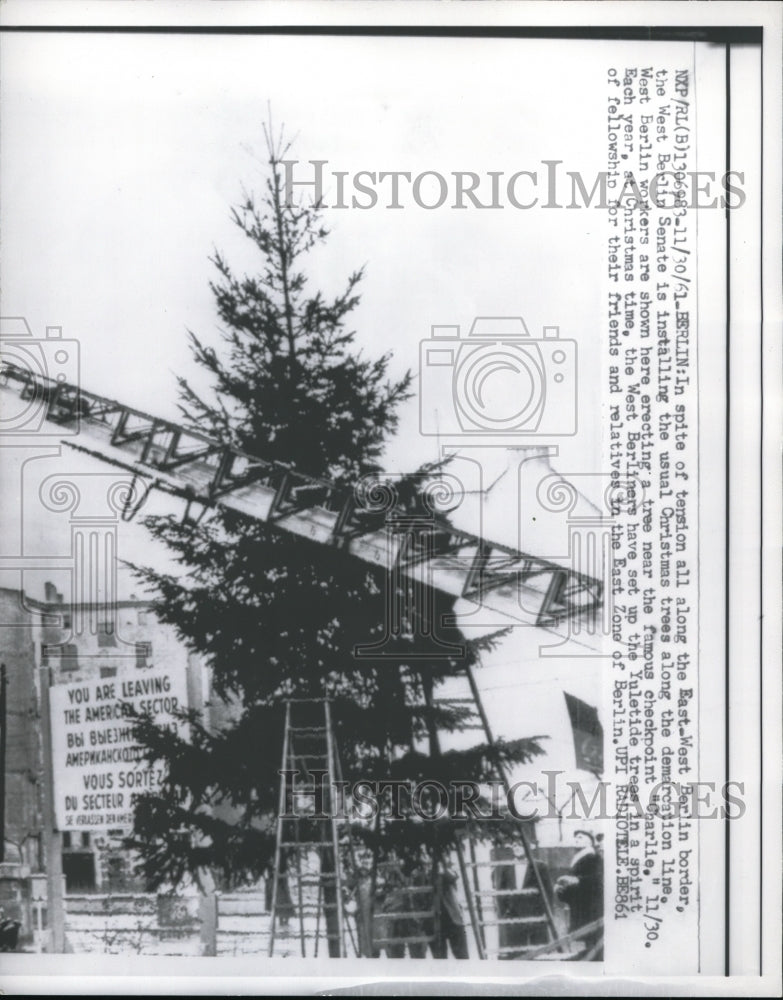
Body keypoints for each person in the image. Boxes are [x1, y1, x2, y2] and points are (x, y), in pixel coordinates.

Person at [554, 830, 604, 958]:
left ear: (590, 841)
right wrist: (562, 890)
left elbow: (598, 880)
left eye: (580, 837)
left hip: (592, 908)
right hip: (580, 908)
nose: (576, 839)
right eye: (575, 837)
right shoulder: (578, 859)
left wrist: (577, 880)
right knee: (587, 942)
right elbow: (574, 886)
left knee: (594, 941)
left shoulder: (594, 857)